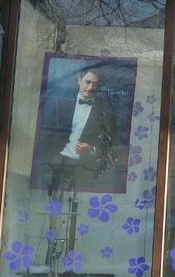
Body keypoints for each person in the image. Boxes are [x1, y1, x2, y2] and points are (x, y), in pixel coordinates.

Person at [36, 66, 117, 194]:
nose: (90, 87)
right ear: (79, 80)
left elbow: (111, 147)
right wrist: (45, 162)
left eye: (95, 84)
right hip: (57, 164)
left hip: (85, 168)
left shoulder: (105, 112)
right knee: (49, 198)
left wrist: (92, 150)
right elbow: (47, 137)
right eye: (87, 82)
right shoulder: (61, 105)